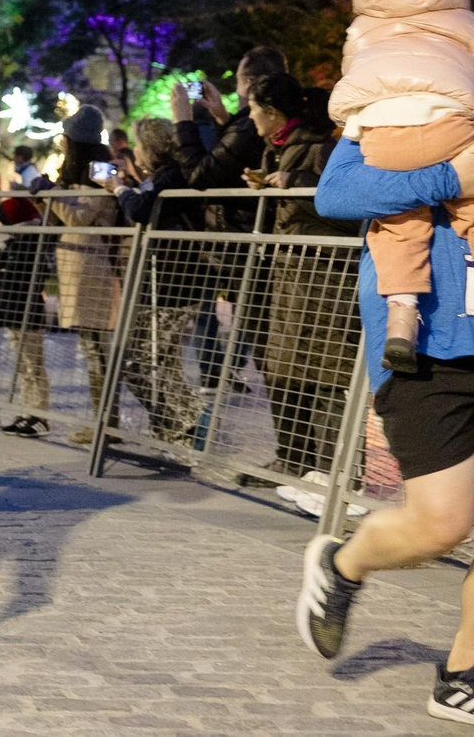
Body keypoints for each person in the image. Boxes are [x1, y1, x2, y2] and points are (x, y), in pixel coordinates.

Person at [297, 79, 474, 726]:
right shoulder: (403, 99)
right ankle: (345, 565)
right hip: (429, 342)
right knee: (442, 525)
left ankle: (463, 674)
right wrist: (453, 176)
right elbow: (337, 194)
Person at [326, 0, 474, 372]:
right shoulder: (461, 53)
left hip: (420, 332)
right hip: (430, 355)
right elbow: (335, 193)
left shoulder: (371, 76)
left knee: (396, 229)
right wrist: (451, 178)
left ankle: (401, 314)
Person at [241, 74, 355, 480]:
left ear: (273, 112)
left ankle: (333, 474)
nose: (249, 118)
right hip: (291, 276)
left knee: (326, 372)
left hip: (325, 277)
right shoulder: (279, 149)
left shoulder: (322, 147)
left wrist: (298, 184)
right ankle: (294, 461)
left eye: (253, 110)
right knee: (284, 370)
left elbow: (350, 211)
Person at [174, 46, 289, 383]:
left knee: (267, 344)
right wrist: (223, 118)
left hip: (244, 246)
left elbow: (200, 175)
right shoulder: (249, 125)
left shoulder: (250, 128)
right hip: (249, 244)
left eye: (238, 78)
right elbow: (234, 156)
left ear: (249, 83)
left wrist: (183, 121)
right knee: (265, 338)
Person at [102, 119, 208, 446]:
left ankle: (188, 422)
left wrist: (119, 189)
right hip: (169, 283)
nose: (134, 151)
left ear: (150, 147)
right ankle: (182, 428)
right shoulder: (167, 176)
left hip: (174, 285)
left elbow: (142, 210)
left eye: (138, 145)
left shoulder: (171, 177)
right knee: (164, 364)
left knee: (136, 364)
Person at [42, 103, 122, 445]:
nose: (62, 142)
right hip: (77, 266)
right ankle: (102, 421)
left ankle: (105, 424)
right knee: (91, 347)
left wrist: (52, 193)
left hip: (93, 266)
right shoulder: (74, 172)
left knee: (97, 348)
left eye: (66, 137)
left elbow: (80, 217)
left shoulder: (102, 170)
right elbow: (61, 217)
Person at [0, 192, 53, 437]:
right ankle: (27, 411)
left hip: (28, 311)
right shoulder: (12, 242)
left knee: (33, 365)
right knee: (24, 367)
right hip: (14, 310)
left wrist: (5, 254)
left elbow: (25, 274)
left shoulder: (29, 244)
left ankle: (39, 415)